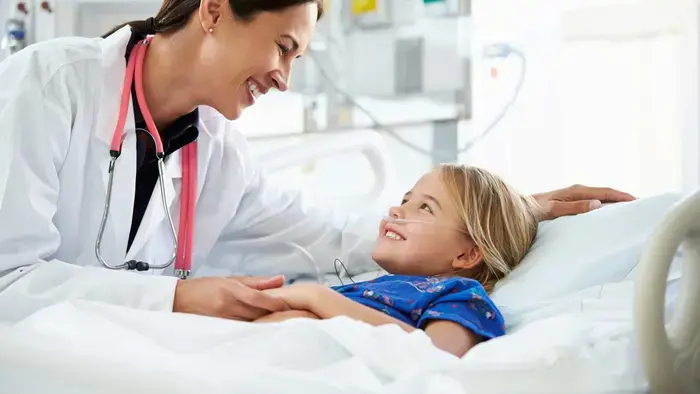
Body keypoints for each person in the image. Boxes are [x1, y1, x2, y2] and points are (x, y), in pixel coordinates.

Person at [0, 0, 635, 324]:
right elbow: (7, 281)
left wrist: (501, 215)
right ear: (215, 11)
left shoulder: (217, 152)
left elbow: (326, 239)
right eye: (282, 48)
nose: (283, 79)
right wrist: (180, 299)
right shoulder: (49, 85)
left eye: (296, 60)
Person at [254, 164, 539, 357]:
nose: (397, 209)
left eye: (425, 207)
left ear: (468, 254)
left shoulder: (460, 297)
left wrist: (317, 298)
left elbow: (434, 356)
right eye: (405, 200)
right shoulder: (374, 287)